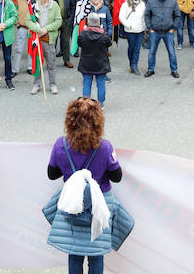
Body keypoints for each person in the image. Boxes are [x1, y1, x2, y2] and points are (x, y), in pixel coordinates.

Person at [45, 97, 131, 274]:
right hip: (99, 206)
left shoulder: (60, 145)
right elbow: (117, 177)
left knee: (74, 254)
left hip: (72, 204)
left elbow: (52, 174)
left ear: (70, 119)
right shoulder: (105, 147)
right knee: (96, 255)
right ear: (98, 120)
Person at [26, 0, 63, 95]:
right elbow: (28, 21)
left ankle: (53, 84)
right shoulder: (33, 6)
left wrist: (46, 29)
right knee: (37, 62)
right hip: (37, 39)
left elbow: (58, 21)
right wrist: (37, 30)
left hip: (49, 39)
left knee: (51, 64)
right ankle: (36, 84)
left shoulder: (54, 5)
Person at [143, 0, 180, 78]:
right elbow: (147, 15)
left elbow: (177, 16)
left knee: (171, 52)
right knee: (152, 51)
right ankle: (150, 69)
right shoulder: (151, 1)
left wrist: (174, 28)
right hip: (155, 31)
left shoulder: (173, 1)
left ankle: (174, 70)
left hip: (168, 32)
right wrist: (150, 28)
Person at [78, 13, 112, 106]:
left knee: (86, 84)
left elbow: (80, 44)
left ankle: (86, 104)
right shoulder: (103, 35)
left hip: (87, 63)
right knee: (101, 84)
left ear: (88, 22)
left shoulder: (82, 34)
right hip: (100, 63)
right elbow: (109, 43)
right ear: (99, 23)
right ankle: (100, 104)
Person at [52, 0, 78, 68]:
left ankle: (66, 60)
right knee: (52, 41)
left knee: (66, 41)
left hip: (66, 20)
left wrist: (70, 19)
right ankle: (51, 61)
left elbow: (72, 7)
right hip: (54, 21)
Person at [118, 0, 146, 76]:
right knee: (131, 48)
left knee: (137, 49)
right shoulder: (125, 4)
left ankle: (134, 65)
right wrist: (128, 25)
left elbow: (145, 16)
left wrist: (145, 26)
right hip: (130, 30)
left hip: (140, 30)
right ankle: (131, 64)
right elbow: (121, 17)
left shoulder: (142, 4)